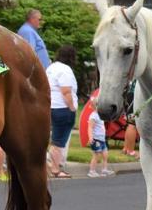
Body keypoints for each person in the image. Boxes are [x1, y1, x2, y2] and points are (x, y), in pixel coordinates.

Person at [46, 44, 79, 178]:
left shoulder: (51, 68)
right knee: (58, 142)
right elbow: (66, 91)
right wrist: (72, 108)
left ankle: (50, 165)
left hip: (50, 106)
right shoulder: (65, 70)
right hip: (62, 108)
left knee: (54, 139)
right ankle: (55, 169)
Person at [87, 105, 111, 177]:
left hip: (102, 139)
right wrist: (91, 137)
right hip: (96, 139)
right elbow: (90, 128)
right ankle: (92, 171)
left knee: (105, 154)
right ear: (95, 107)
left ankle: (104, 170)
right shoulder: (93, 116)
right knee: (96, 155)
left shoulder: (100, 115)